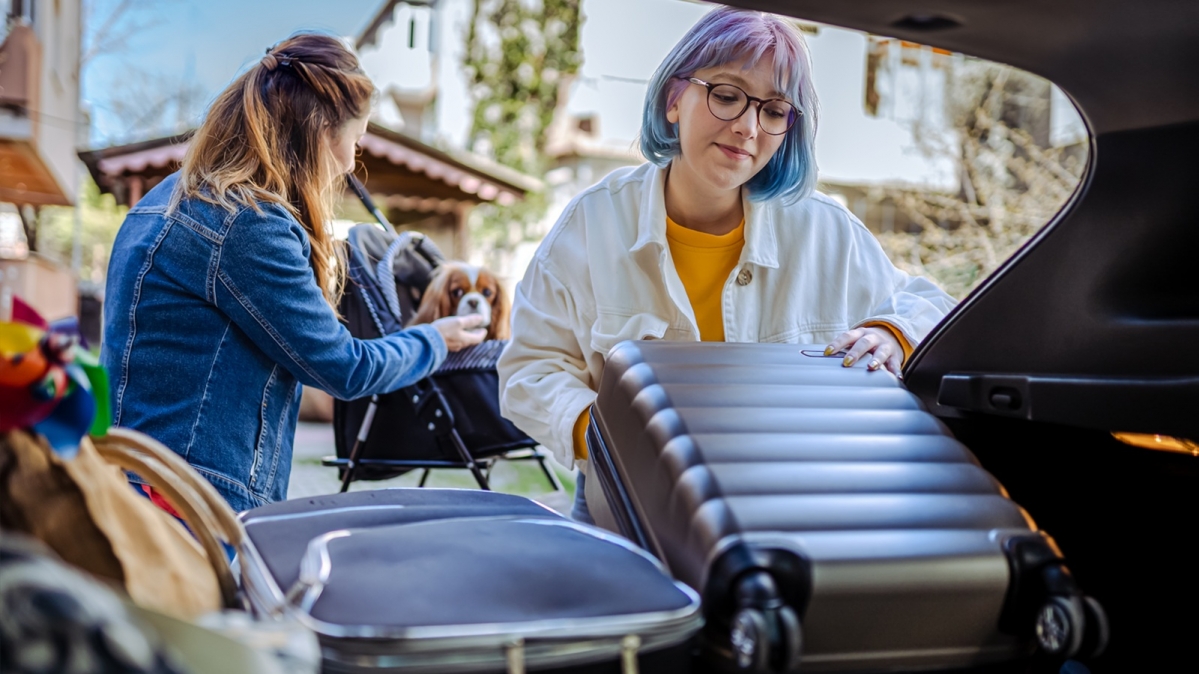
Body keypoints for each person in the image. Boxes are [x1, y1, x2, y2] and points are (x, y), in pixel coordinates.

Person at [497, 8, 957, 525]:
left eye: (775, 110)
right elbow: (530, 371)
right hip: (625, 496)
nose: (747, 127)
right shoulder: (592, 223)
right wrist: (610, 438)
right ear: (674, 99)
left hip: (775, 500)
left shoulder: (826, 230)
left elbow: (933, 304)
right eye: (727, 94)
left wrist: (893, 332)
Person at [102, 33, 485, 512]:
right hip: (192, 503)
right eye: (356, 142)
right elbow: (346, 367)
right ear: (323, 132)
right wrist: (435, 338)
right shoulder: (246, 223)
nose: (350, 164)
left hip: (135, 485)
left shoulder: (163, 199)